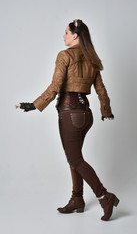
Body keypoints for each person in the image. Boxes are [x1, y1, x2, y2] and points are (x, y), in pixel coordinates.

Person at [15, 19, 119, 221]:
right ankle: (77, 199)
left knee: (74, 159)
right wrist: (106, 110)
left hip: (70, 114)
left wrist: (34, 105)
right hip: (86, 115)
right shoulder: (91, 58)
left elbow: (55, 87)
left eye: (66, 32)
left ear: (75, 36)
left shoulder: (65, 55)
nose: (63, 36)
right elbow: (101, 90)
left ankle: (104, 196)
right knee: (75, 157)